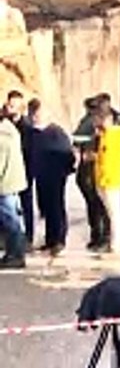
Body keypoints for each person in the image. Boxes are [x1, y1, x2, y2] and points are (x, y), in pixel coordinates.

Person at [28, 99, 73, 256]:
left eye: (37, 113)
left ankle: (59, 240)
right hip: (40, 176)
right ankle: (50, 239)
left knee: (56, 208)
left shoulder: (56, 133)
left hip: (55, 177)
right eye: (33, 113)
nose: (35, 116)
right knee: (45, 208)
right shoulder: (32, 133)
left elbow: (68, 155)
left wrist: (63, 173)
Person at [73, 96, 109, 250]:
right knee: (97, 204)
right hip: (92, 168)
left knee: (96, 205)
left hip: (92, 168)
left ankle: (100, 237)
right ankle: (99, 236)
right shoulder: (94, 124)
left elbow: (76, 139)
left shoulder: (90, 123)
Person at [93, 105, 120, 255]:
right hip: (102, 178)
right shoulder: (104, 135)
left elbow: (108, 158)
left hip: (111, 178)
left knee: (114, 213)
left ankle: (115, 244)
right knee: (110, 212)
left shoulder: (116, 135)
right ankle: (112, 242)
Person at [4, 90, 34, 246]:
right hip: (8, 171)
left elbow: (28, 149)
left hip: (24, 169)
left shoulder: (26, 126)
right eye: (10, 104)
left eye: (15, 105)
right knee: (8, 209)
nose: (11, 108)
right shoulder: (4, 123)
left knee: (25, 204)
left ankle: (27, 236)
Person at [0, 109, 26, 269]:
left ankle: (15, 256)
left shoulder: (1, 137)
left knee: (11, 222)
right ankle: (14, 253)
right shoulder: (10, 129)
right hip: (13, 182)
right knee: (13, 220)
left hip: (5, 184)